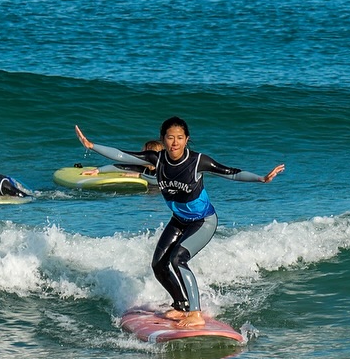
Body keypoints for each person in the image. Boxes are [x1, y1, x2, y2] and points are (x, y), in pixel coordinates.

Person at [73, 116, 285, 323]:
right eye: (170, 137)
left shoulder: (197, 161)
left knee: (178, 259)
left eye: (180, 137)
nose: (175, 142)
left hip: (203, 221)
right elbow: (122, 156)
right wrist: (91, 146)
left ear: (187, 139)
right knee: (159, 264)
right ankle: (181, 305)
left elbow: (230, 173)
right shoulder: (157, 159)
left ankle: (195, 313)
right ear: (163, 139)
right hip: (179, 219)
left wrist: (261, 178)